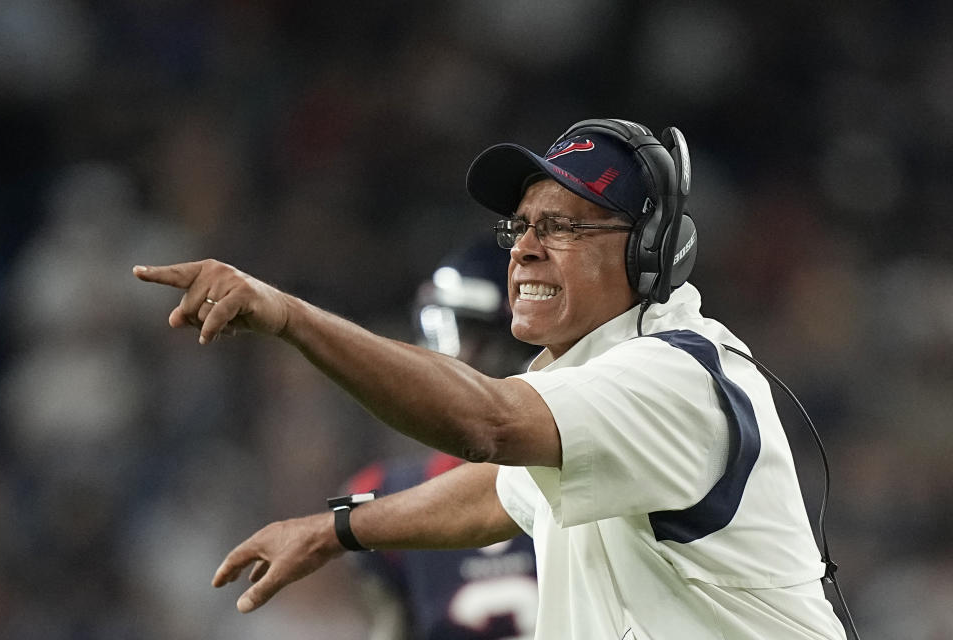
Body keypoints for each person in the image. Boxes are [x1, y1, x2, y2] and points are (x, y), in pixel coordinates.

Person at [134, 118, 849, 639]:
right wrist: (337, 530)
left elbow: (488, 428)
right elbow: (501, 492)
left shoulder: (672, 376)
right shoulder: (600, 387)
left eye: (565, 227)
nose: (527, 249)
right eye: (522, 228)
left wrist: (290, 317)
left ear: (650, 251)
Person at [345, 241, 539, 639]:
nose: (444, 360)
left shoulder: (581, 479)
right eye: (435, 333)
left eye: (467, 336)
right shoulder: (379, 492)